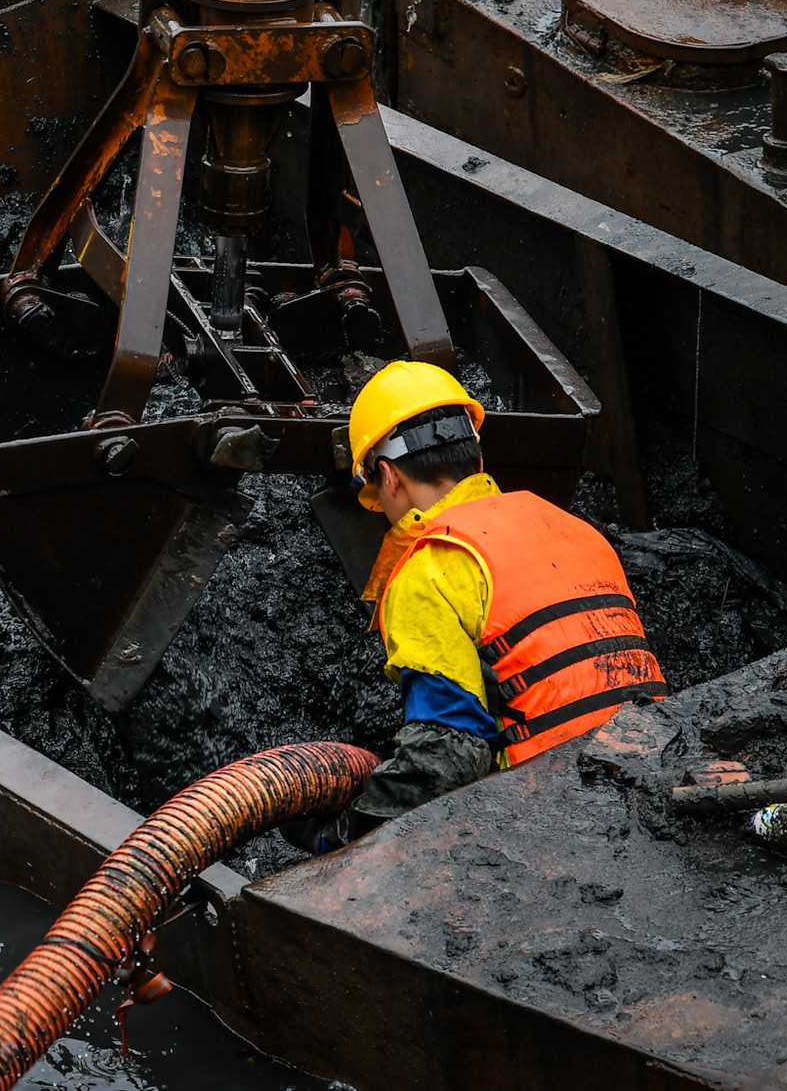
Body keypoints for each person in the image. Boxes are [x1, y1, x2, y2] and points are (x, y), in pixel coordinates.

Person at [283, 360, 668, 853]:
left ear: (388, 476)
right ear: (476, 458)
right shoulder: (571, 527)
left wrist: (343, 839)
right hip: (655, 772)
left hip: (558, 812)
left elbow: (447, 755)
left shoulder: (433, 564)